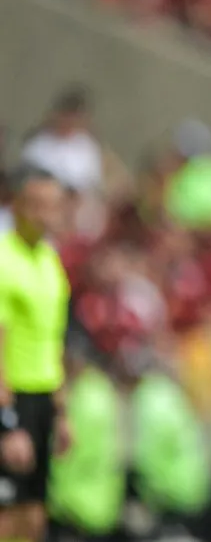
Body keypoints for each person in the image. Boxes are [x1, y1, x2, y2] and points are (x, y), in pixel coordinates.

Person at [0, 166, 74, 542]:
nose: (44, 215)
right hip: (12, 396)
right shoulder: (3, 258)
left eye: (52, 206)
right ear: (15, 205)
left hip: (42, 397)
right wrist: (7, 423)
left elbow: (53, 342)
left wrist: (61, 412)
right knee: (6, 516)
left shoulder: (50, 261)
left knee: (33, 516)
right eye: (35, 205)